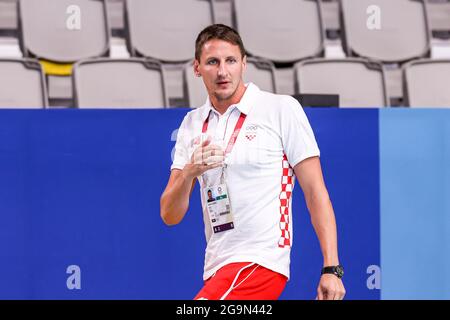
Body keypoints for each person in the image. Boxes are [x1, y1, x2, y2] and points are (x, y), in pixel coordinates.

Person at [160, 24, 346, 300]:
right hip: (216, 265)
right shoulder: (192, 123)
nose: (223, 71)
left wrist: (332, 268)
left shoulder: (280, 109)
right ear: (197, 67)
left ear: (244, 64)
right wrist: (189, 173)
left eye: (231, 61)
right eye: (213, 62)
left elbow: (316, 191)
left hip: (262, 261)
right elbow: (169, 215)